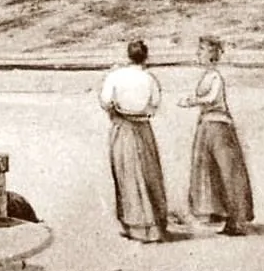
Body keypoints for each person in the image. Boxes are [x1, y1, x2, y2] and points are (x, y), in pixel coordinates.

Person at [179, 36, 254, 236]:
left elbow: (212, 98)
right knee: (209, 169)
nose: (198, 54)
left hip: (219, 125)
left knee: (227, 170)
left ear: (211, 54)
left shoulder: (215, 77)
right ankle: (218, 214)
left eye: (201, 50)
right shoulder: (207, 75)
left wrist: (192, 101)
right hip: (207, 125)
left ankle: (237, 218)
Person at [99, 39, 170, 243]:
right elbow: (154, 106)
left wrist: (117, 110)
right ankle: (154, 225)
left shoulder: (115, 76)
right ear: (145, 57)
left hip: (122, 129)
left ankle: (133, 225)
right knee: (148, 175)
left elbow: (105, 101)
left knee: (126, 175)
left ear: (128, 56)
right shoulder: (149, 79)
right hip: (143, 130)